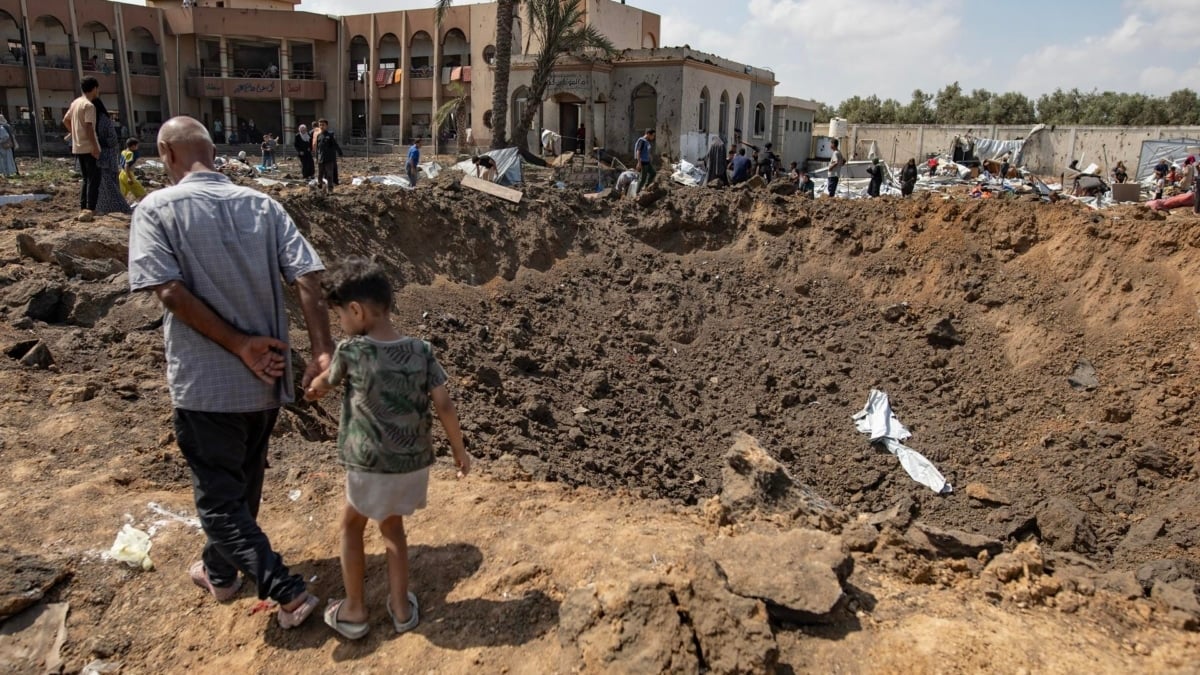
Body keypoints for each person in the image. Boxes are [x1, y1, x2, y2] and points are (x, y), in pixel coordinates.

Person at [127, 116, 330, 630]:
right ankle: (220, 571)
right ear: (213, 154)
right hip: (266, 381)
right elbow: (307, 275)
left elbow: (169, 292)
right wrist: (323, 349)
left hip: (207, 385)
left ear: (168, 154)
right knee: (243, 482)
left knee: (219, 503)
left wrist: (239, 346)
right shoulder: (263, 205)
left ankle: (284, 590)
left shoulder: (155, 209)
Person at [304, 257, 471, 640]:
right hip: (412, 465)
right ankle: (400, 609)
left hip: (369, 465)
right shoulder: (421, 350)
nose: (341, 324)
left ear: (357, 310)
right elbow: (444, 404)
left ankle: (355, 611)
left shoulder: (352, 351)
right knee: (393, 529)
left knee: (351, 526)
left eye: (340, 315)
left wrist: (313, 392)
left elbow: (326, 384)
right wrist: (459, 452)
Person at [63, 77, 102, 221]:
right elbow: (89, 127)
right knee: (94, 178)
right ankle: (90, 208)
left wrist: (74, 133)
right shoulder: (89, 106)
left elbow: (65, 120)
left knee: (86, 178)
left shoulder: (75, 103)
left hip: (78, 146)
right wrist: (95, 147)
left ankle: (83, 207)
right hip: (88, 147)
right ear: (94, 88)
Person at [91, 97, 130, 216]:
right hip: (101, 158)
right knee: (103, 186)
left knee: (109, 185)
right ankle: (106, 208)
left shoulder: (104, 120)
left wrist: (97, 141)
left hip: (106, 158)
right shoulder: (93, 120)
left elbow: (113, 140)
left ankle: (121, 207)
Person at [314, 119, 343, 193]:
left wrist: (340, 153)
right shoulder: (318, 136)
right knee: (320, 174)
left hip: (329, 159)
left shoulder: (330, 135)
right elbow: (318, 148)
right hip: (321, 158)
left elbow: (335, 145)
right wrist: (316, 157)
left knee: (329, 174)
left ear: (326, 126)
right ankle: (320, 188)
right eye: (320, 125)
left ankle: (330, 189)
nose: (321, 126)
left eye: (323, 125)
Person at [119, 137, 146, 203]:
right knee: (142, 194)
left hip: (121, 174)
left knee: (122, 194)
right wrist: (129, 178)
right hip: (128, 174)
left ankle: (122, 207)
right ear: (133, 146)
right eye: (137, 146)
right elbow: (126, 166)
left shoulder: (123, 151)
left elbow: (121, 163)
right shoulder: (130, 154)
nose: (137, 147)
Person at [633, 128, 655, 195]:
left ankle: (645, 186)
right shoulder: (642, 141)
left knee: (653, 173)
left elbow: (646, 151)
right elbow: (638, 152)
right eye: (652, 135)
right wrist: (639, 162)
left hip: (647, 161)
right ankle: (637, 193)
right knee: (642, 178)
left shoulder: (646, 141)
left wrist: (650, 156)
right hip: (643, 162)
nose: (653, 137)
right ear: (648, 134)